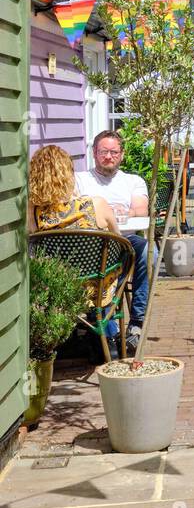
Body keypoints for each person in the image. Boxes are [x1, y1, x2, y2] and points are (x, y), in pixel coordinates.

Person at [28, 145, 123, 358]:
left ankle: (86, 336)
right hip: (97, 287)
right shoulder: (95, 204)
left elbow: (35, 244)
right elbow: (118, 241)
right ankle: (110, 339)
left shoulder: (33, 211)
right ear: (69, 173)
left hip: (59, 286)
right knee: (120, 262)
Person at [76, 131, 149, 356]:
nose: (108, 156)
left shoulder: (133, 181)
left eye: (114, 152)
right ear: (94, 153)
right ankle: (108, 334)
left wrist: (125, 211)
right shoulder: (80, 179)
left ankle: (136, 321)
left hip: (125, 241)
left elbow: (141, 210)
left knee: (148, 250)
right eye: (103, 152)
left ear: (122, 155)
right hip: (90, 244)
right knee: (104, 277)